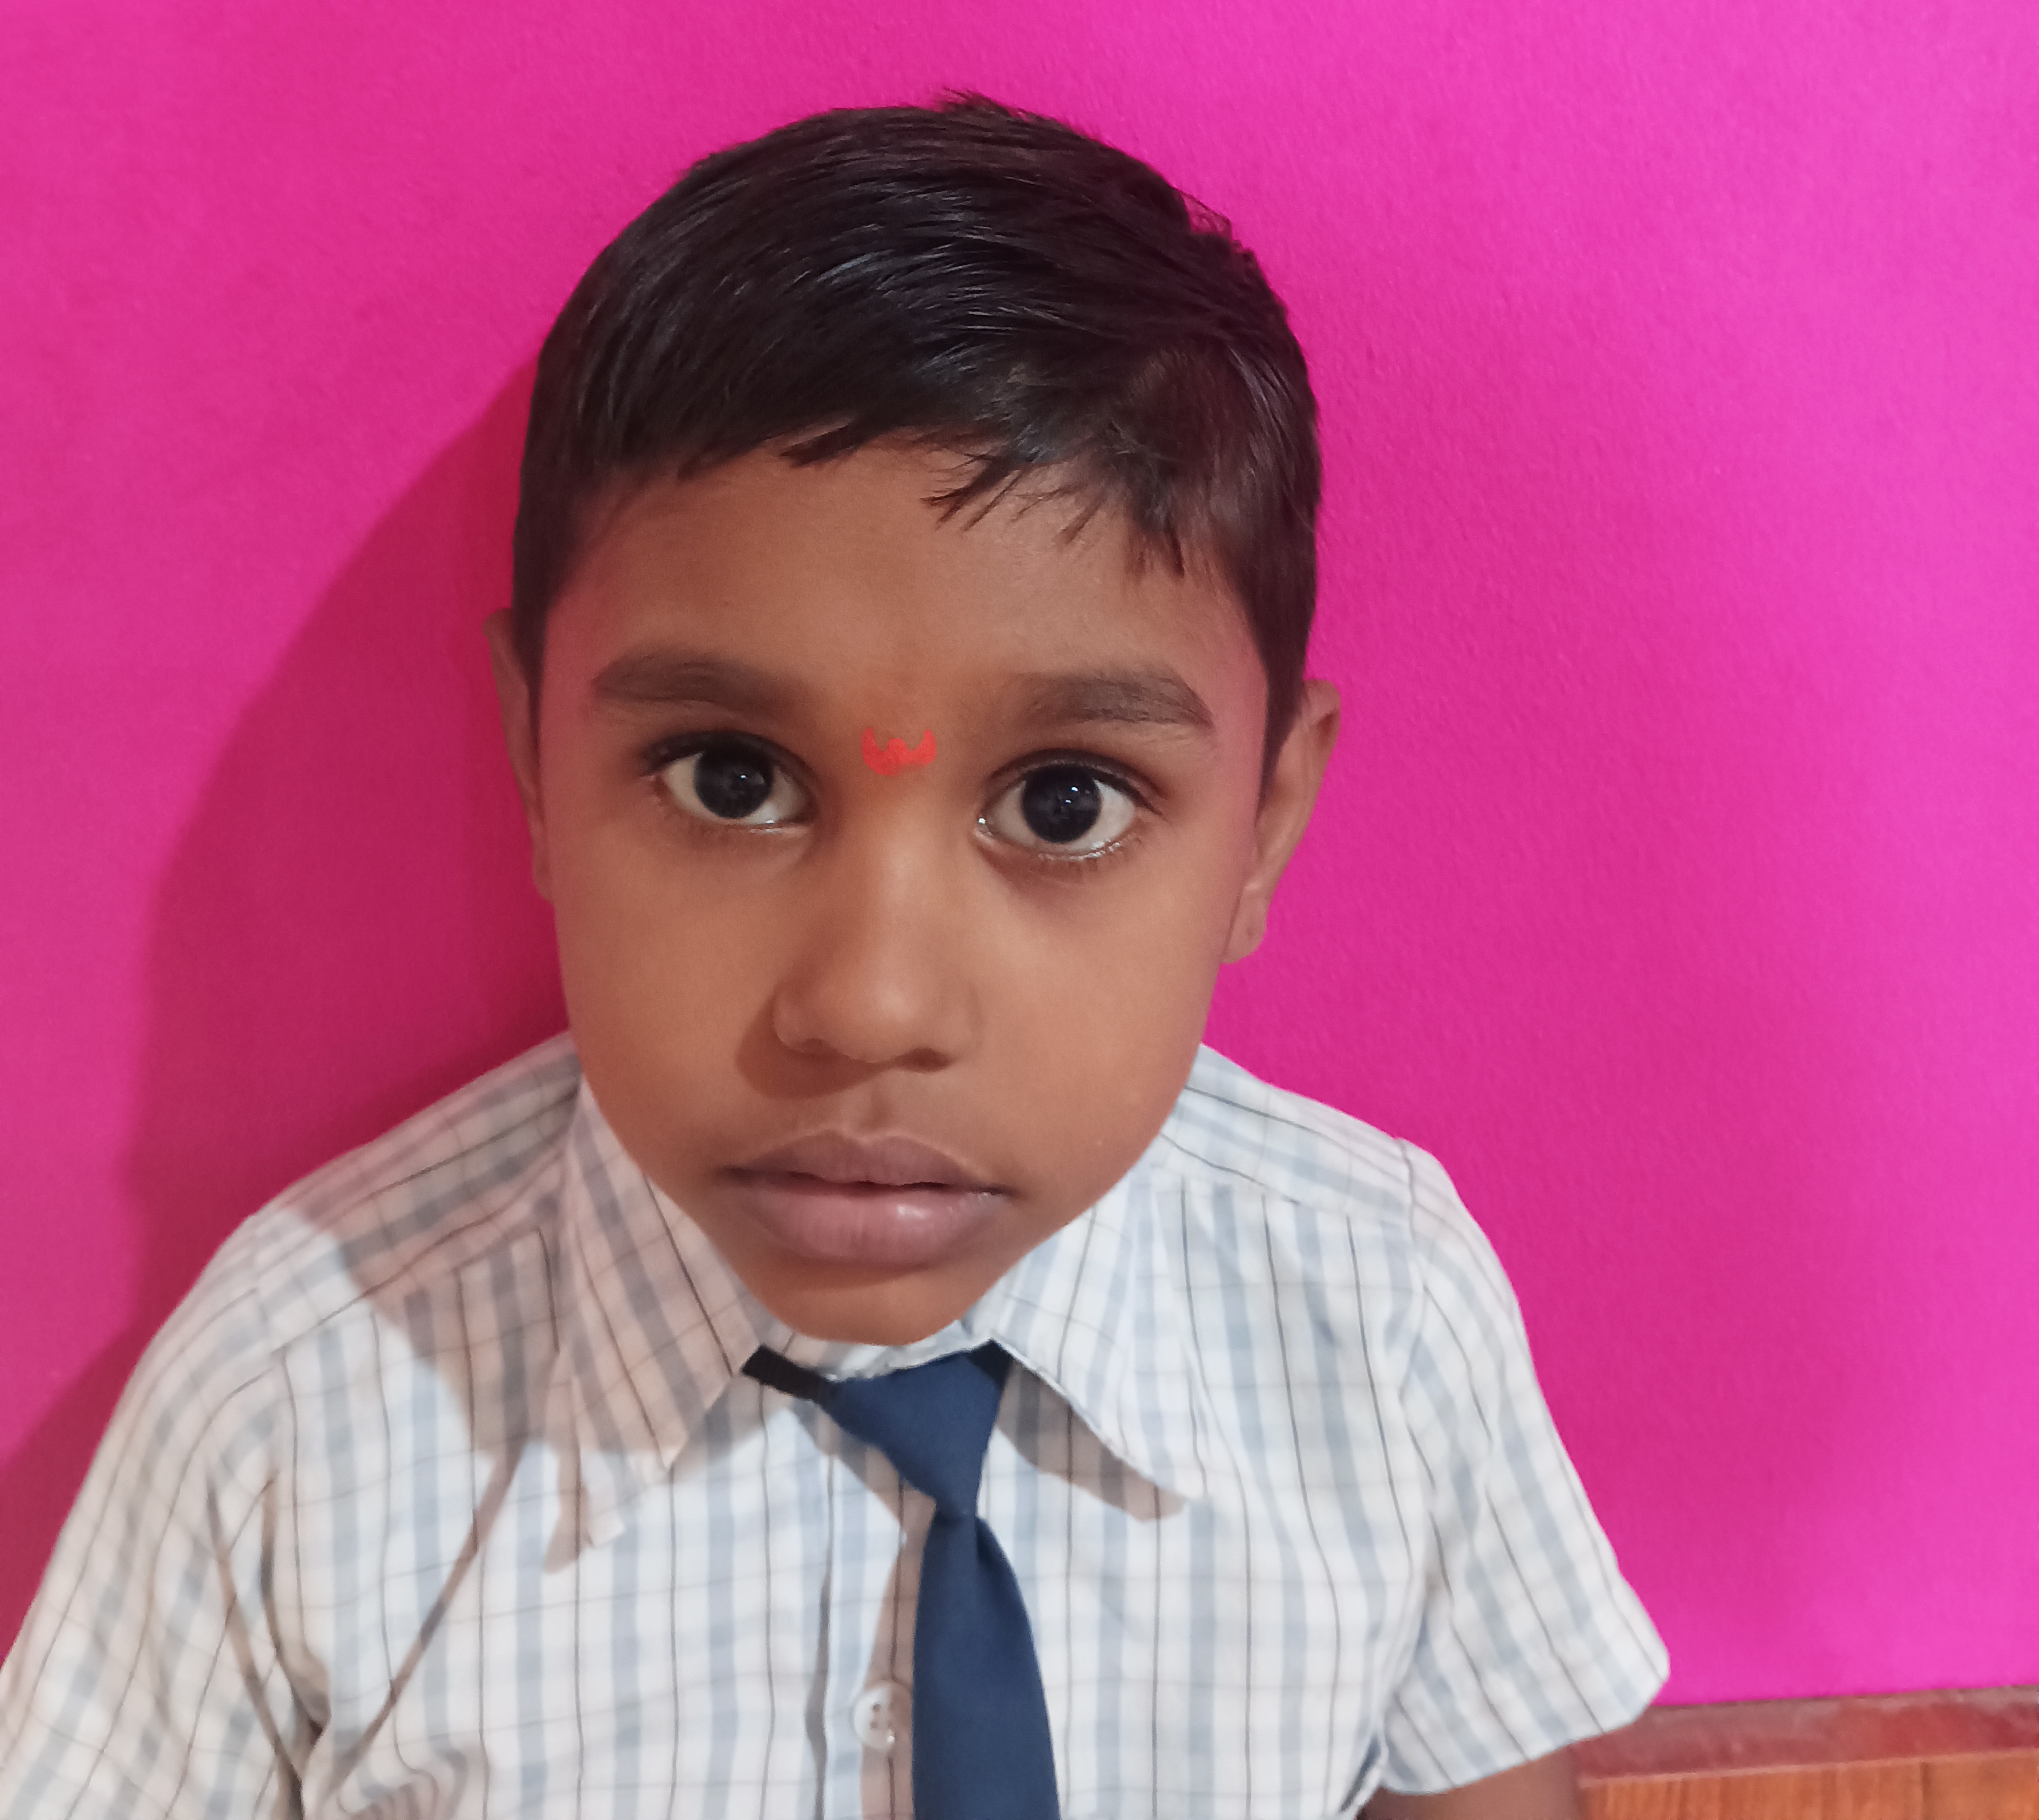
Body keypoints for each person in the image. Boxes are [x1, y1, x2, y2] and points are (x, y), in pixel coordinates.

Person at [0, 98, 1665, 1817]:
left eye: (1067, 802)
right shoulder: (293, 1412)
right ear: (535, 765)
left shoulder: (1378, 1320)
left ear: (1262, 828)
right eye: (732, 780)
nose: (872, 1004)